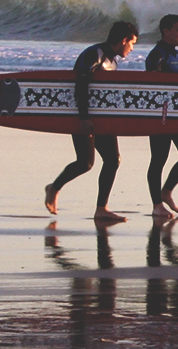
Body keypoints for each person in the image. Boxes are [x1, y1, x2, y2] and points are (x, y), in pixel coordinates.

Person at [44, 20, 138, 222]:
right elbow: (81, 85)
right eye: (132, 43)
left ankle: (101, 209)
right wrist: (84, 117)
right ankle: (54, 188)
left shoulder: (113, 61)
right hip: (82, 115)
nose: (132, 49)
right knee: (85, 163)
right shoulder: (93, 54)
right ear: (123, 40)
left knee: (113, 160)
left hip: (102, 119)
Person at [143, 13, 178, 218]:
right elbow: (152, 86)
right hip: (160, 117)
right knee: (158, 159)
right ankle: (156, 204)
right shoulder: (156, 55)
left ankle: (166, 191)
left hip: (177, 116)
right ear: (166, 31)